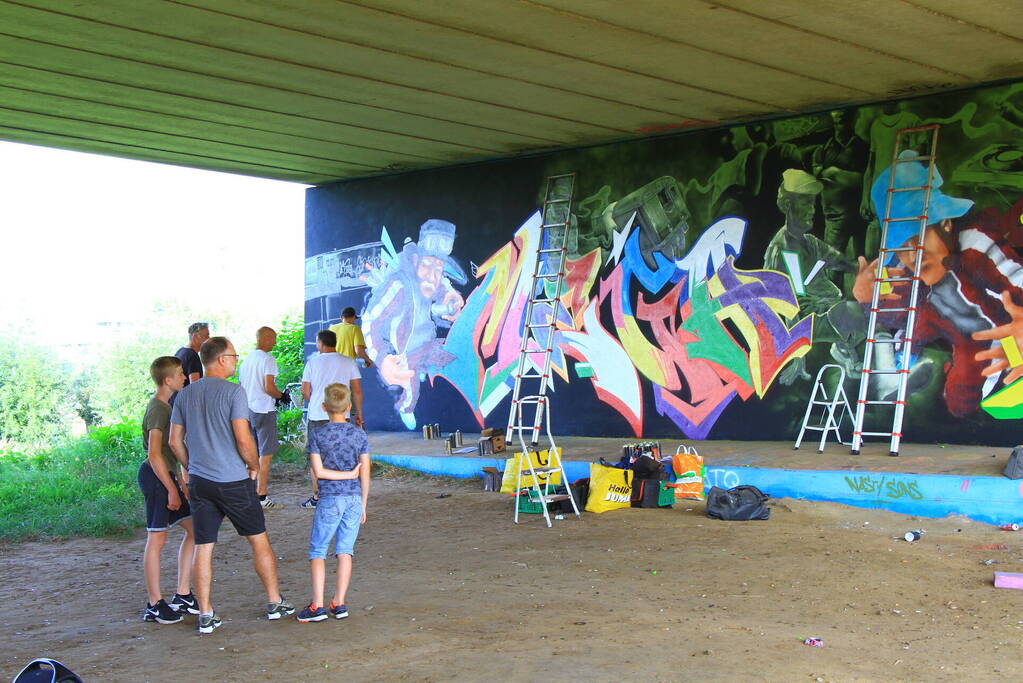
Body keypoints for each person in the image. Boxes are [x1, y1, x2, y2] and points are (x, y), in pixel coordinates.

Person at [853, 152, 1023, 416]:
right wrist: (866, 299)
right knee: (958, 403)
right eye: (902, 247)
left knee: (991, 382)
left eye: (919, 238)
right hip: (961, 339)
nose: (912, 256)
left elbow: (1016, 279)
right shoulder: (902, 271)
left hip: (1001, 332)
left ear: (945, 223)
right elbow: (895, 316)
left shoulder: (975, 246)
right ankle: (900, 376)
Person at [169, 336, 294, 633]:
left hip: (200, 482)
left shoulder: (185, 395)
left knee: (204, 546)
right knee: (258, 539)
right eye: (234, 356)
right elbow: (243, 438)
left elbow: (174, 441)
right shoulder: (234, 392)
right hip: (234, 480)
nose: (236, 361)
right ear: (221, 359)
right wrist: (254, 465)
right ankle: (275, 602)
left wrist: (191, 466)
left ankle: (206, 614)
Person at [363, 219, 466, 429]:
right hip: (405, 351)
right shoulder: (399, 286)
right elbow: (370, 320)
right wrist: (382, 359)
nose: (432, 275)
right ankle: (405, 409)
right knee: (411, 391)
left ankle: (423, 369)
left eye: (439, 268)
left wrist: (452, 297)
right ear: (416, 260)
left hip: (427, 343)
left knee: (455, 362)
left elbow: (442, 285)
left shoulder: (434, 280)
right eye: (427, 265)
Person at [296, 383, 370, 622]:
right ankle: (339, 603)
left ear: (324, 407)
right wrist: (363, 503)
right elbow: (365, 472)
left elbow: (318, 472)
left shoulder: (318, 435)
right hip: (353, 499)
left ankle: (317, 606)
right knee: (345, 551)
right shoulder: (359, 434)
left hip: (329, 498)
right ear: (348, 407)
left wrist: (342, 476)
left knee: (318, 550)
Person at [138, 356, 196, 625]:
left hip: (167, 477)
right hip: (156, 478)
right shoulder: (158, 409)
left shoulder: (166, 406)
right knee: (157, 539)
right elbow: (154, 454)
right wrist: (171, 489)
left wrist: (181, 485)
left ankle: (183, 594)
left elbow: (167, 456)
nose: (184, 377)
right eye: (180, 373)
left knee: (195, 530)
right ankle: (154, 604)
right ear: (167, 380)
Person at [300, 330, 363, 508]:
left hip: (317, 415)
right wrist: (359, 413)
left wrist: (315, 401)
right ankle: (343, 493)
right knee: (343, 454)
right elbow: (357, 390)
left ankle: (317, 497)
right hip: (342, 415)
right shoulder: (348, 361)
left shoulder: (312, 363)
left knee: (316, 458)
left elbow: (305, 392)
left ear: (320, 343)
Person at [239, 327, 287, 509]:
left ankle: (248, 494)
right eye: (273, 338)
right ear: (265, 339)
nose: (275, 342)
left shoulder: (246, 360)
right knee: (265, 455)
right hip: (264, 410)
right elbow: (269, 387)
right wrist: (281, 396)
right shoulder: (268, 359)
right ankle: (262, 496)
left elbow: (241, 385)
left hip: (246, 410)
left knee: (250, 453)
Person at [175, 322, 210, 387]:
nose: (209, 339)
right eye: (206, 336)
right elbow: (194, 387)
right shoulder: (192, 356)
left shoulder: (180, 351)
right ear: (195, 337)